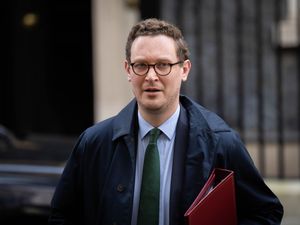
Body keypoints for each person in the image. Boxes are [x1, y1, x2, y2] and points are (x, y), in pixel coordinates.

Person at [48, 18, 283, 225]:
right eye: (141, 65)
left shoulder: (221, 142)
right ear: (128, 70)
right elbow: (62, 216)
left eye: (163, 65)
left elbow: (265, 213)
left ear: (184, 69)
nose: (151, 76)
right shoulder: (94, 143)